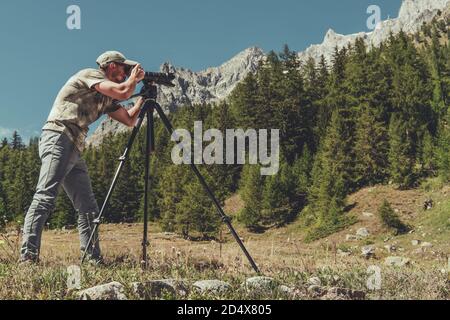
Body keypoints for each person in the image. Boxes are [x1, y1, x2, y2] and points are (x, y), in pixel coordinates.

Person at [20, 51, 145, 264]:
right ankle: (28, 258)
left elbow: (129, 120)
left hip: (75, 147)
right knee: (45, 196)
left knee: (88, 208)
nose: (126, 74)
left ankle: (92, 260)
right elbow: (123, 91)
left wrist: (143, 97)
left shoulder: (107, 98)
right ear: (111, 66)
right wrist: (134, 79)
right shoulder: (90, 75)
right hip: (58, 136)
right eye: (124, 69)